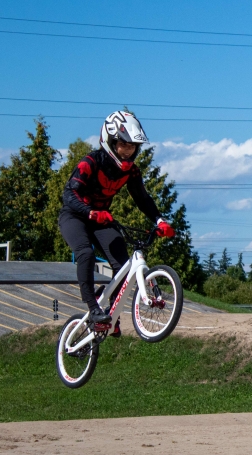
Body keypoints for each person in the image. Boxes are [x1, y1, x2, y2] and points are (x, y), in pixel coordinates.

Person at [59, 111, 175, 334]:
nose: (128, 150)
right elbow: (69, 195)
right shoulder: (91, 162)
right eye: (124, 144)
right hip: (75, 216)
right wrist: (90, 211)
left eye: (133, 146)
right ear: (110, 141)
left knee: (123, 266)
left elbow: (142, 198)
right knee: (85, 253)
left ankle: (111, 315)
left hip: (102, 219)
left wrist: (160, 220)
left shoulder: (131, 171)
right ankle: (93, 309)